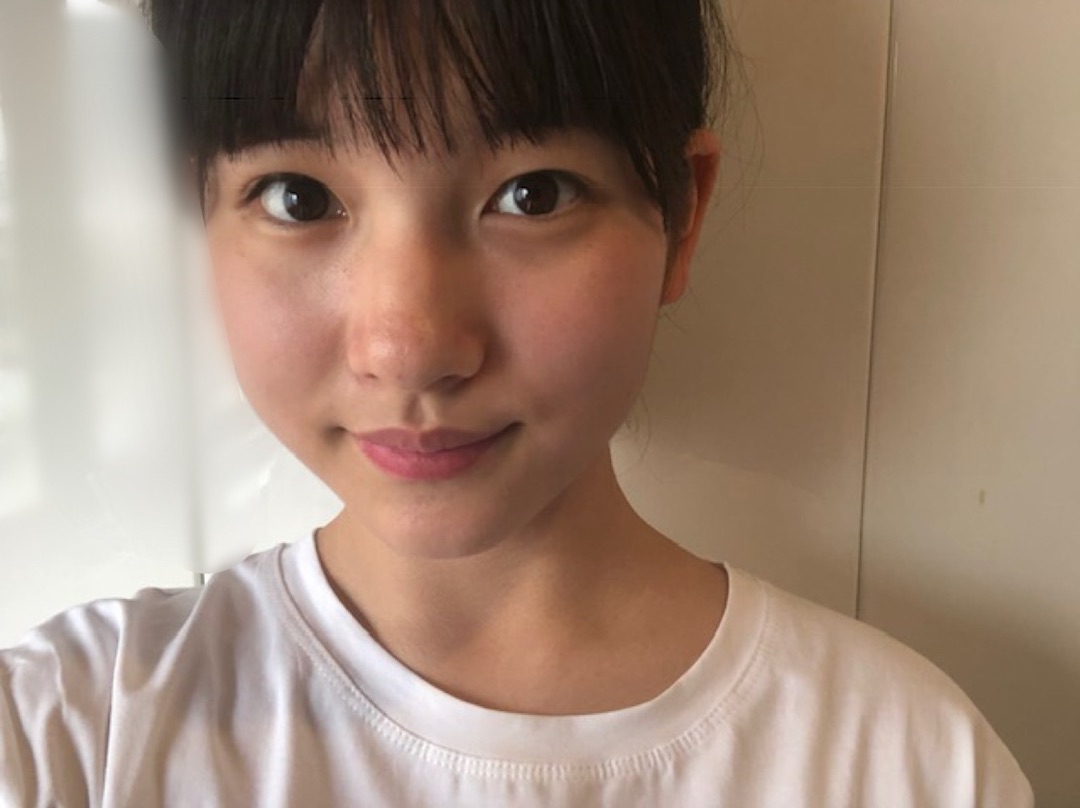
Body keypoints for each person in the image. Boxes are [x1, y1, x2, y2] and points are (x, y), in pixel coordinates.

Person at [0, 0, 1033, 804]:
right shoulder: (66, 736)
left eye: (533, 193)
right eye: (297, 198)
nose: (409, 348)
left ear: (682, 215)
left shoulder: (907, 763)